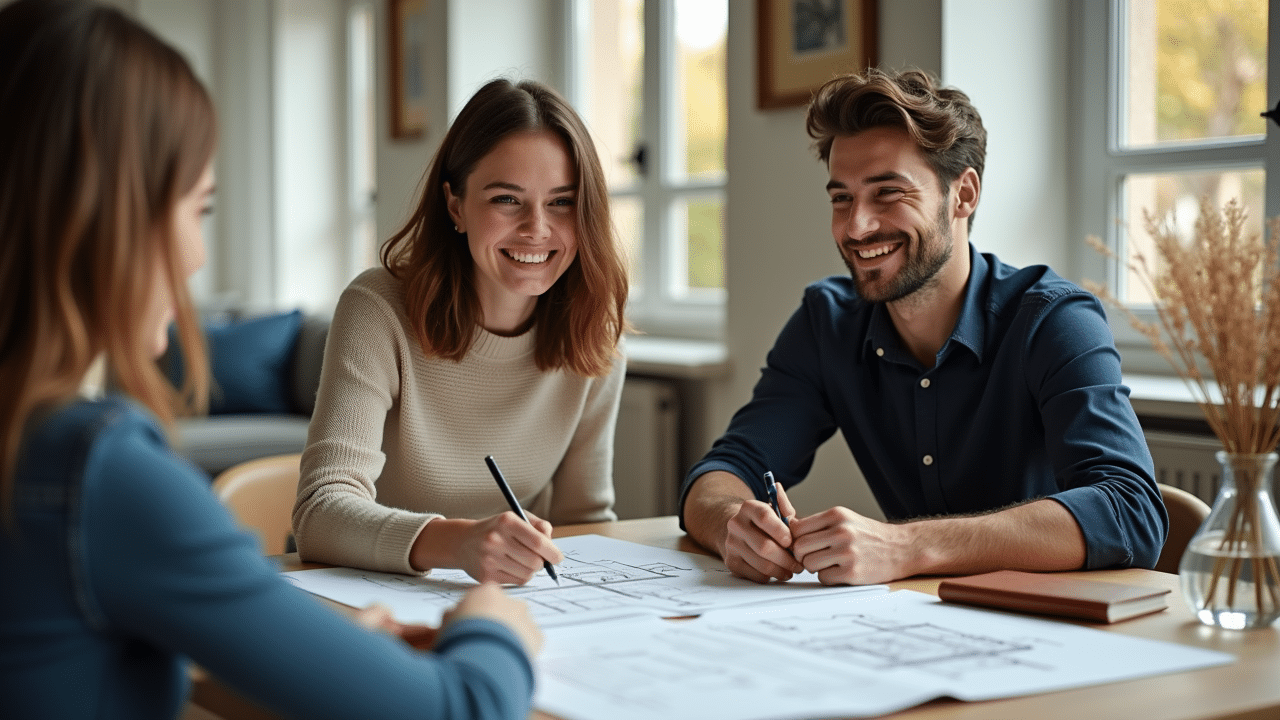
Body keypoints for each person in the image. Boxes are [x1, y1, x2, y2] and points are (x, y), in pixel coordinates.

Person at [0, 2, 540, 718]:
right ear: (107, 219)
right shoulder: (98, 477)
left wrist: (327, 659)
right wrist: (493, 630)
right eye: (198, 208)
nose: (196, 256)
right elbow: (461, 709)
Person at [680, 68, 1167, 586]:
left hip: (1050, 617)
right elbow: (723, 471)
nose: (855, 227)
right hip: (916, 619)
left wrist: (907, 546)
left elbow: (1131, 511)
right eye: (841, 198)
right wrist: (733, 525)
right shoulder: (828, 322)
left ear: (963, 195)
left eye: (888, 193)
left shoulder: (1054, 320)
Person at [292, 78, 630, 584]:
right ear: (455, 206)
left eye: (562, 202)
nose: (537, 228)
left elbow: (585, 521)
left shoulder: (594, 332)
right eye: (507, 199)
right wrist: (458, 543)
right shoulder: (377, 309)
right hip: (368, 595)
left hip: (511, 601)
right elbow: (320, 512)